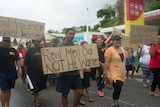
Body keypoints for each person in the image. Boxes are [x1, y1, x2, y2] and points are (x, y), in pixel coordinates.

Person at [56, 28, 82, 107]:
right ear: (66, 34)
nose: (72, 35)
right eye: (70, 34)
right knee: (65, 94)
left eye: (73, 34)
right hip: (64, 75)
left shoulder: (75, 46)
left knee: (79, 92)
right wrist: (56, 69)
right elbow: (56, 59)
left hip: (75, 73)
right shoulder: (60, 46)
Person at [103, 35, 132, 107]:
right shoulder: (109, 50)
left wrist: (129, 49)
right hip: (113, 72)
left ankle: (116, 101)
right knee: (118, 87)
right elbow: (106, 62)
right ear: (113, 41)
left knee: (119, 88)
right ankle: (114, 103)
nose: (118, 41)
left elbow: (129, 57)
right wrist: (105, 73)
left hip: (121, 72)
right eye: (116, 40)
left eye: (119, 40)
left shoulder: (122, 49)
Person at [24, 36, 48, 107]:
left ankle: (35, 94)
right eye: (35, 41)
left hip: (42, 71)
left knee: (41, 86)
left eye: (38, 41)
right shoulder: (30, 51)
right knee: (35, 86)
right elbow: (26, 62)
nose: (37, 42)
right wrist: (25, 71)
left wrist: (44, 40)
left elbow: (48, 52)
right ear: (33, 42)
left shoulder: (42, 49)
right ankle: (37, 100)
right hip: (33, 72)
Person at [0, 37, 22, 107]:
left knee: (9, 89)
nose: (7, 42)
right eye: (5, 41)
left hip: (12, 73)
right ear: (2, 41)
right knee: (4, 90)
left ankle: (8, 105)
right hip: (2, 73)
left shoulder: (13, 50)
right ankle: (3, 105)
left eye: (8, 41)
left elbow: (17, 60)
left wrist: (20, 69)